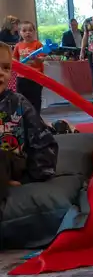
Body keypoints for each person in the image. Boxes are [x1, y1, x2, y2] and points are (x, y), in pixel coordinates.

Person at [0, 44, 57, 203]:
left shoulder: (18, 102)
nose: (0, 73)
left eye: (5, 68)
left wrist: (29, 179)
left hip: (14, 167)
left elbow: (44, 142)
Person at [12, 21, 46, 114]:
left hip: (36, 78)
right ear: (20, 33)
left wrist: (36, 58)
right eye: (24, 30)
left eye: (30, 30)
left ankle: (36, 119)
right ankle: (23, 120)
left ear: (34, 32)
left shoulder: (38, 44)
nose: (28, 32)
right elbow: (14, 59)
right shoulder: (18, 45)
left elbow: (42, 59)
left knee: (35, 100)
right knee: (21, 100)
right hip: (21, 78)